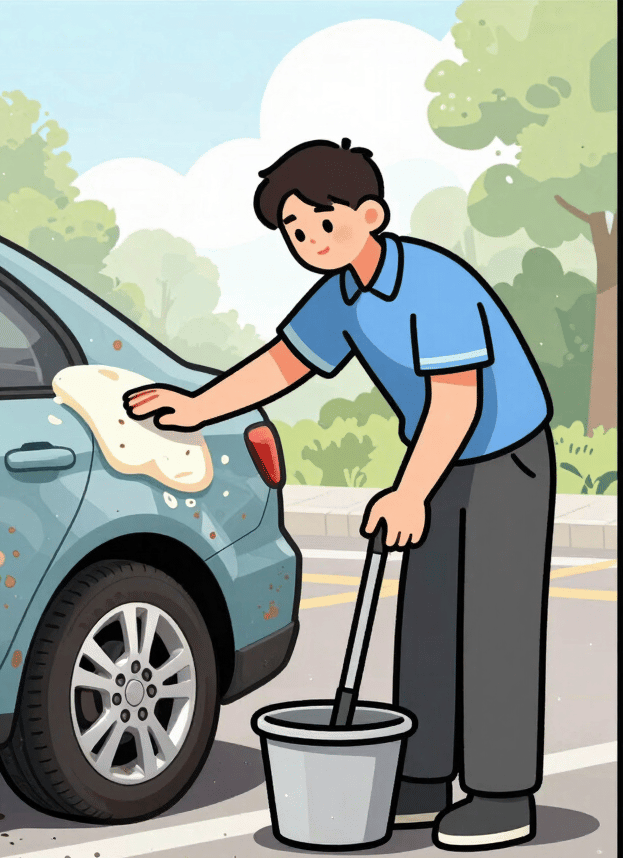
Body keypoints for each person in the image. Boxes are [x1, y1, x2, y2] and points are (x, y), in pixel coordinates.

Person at [124, 139, 555, 851]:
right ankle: (421, 778)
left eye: (324, 222)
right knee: (427, 619)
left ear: (372, 215)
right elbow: (283, 364)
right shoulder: (342, 294)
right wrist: (198, 407)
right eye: (296, 231)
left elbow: (458, 400)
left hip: (505, 455)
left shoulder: (432, 283)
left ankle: (502, 795)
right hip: (439, 457)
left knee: (493, 624)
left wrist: (409, 493)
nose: (310, 240)